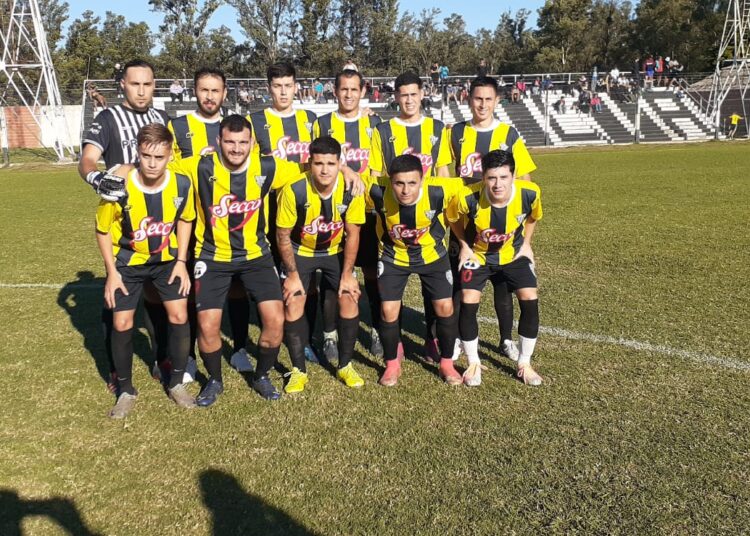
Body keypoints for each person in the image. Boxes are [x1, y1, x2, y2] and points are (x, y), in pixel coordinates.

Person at [170, 115, 303, 404]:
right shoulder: (199, 166)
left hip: (257, 255)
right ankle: (214, 380)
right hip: (212, 257)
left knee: (275, 321)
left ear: (252, 142)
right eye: (230, 142)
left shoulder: (267, 166)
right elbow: (155, 168)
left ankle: (261, 375)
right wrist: (121, 170)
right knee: (207, 324)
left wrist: (347, 170)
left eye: (243, 142)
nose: (236, 148)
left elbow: (309, 169)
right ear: (218, 141)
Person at [79, 59, 171, 392]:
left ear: (154, 85)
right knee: (117, 297)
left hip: (158, 221)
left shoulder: (162, 118)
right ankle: (117, 371)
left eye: (147, 84)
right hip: (123, 224)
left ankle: (162, 358)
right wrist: (97, 178)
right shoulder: (108, 118)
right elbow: (87, 160)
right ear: (123, 85)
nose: (142, 91)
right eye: (135, 84)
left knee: (157, 294)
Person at [95, 124, 196, 418]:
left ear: (170, 155)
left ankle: (176, 383)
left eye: (159, 157)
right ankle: (125, 390)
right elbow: (102, 230)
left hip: (167, 262)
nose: (152, 163)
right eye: (146, 156)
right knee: (122, 323)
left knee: (179, 316)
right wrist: (112, 272)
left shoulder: (181, 184)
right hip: (128, 263)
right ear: (137, 153)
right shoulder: (119, 185)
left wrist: (181, 262)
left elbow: (185, 220)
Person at [167, 68, 253, 376]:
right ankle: (189, 356)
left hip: (232, 222)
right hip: (190, 224)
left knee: (238, 289)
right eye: (204, 89)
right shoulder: (178, 126)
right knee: (191, 290)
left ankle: (239, 348)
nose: (209, 96)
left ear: (225, 93)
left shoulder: (239, 127)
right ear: (194, 90)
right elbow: (167, 169)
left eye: (215, 90)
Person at [448, 75, 537, 362]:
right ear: (468, 99)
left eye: (488, 99)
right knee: (461, 285)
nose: (483, 104)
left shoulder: (508, 134)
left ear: (497, 100)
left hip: (501, 223)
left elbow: (524, 179)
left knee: (503, 286)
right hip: (465, 223)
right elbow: (444, 172)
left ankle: (506, 339)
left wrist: (520, 227)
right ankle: (458, 338)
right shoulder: (455, 132)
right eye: (478, 98)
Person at [369, 71, 452, 362]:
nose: (408, 100)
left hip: (429, 220)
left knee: (433, 289)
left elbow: (443, 172)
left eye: (413, 94)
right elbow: (376, 174)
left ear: (422, 94)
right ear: (396, 97)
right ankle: (397, 343)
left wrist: (444, 210)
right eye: (403, 95)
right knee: (394, 289)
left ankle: (431, 339)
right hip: (394, 221)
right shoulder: (383, 130)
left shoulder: (437, 128)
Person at [364, 155, 463, 387]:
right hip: (393, 257)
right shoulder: (376, 190)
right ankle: (392, 364)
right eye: (399, 183)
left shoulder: (442, 189)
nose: (405, 190)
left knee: (445, 307)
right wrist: (346, 171)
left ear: (423, 179)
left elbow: (478, 189)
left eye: (412, 183)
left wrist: (466, 245)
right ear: (390, 181)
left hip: (432, 255)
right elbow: (343, 176)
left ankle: (447, 363)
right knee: (388, 310)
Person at [276, 137, 366, 392]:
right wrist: (292, 275)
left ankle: (345, 365)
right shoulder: (294, 189)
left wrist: (347, 274)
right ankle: (298, 371)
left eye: (330, 164)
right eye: (318, 164)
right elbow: (283, 235)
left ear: (340, 164)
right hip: (300, 250)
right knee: (293, 300)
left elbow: (353, 234)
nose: (325, 170)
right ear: (309, 163)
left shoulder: (351, 189)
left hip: (334, 251)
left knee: (349, 295)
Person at [448, 150, 543, 387]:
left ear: (513, 175)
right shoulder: (467, 197)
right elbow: (452, 218)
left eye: (503, 177)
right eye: (491, 178)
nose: (498, 184)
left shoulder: (530, 193)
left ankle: (524, 363)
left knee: (530, 297)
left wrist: (526, 245)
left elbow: (533, 217)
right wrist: (464, 246)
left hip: (512, 255)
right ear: (483, 177)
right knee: (468, 299)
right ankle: (473, 362)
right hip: (479, 256)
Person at [312, 69, 383, 358]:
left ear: (363, 91)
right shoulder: (323, 124)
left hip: (368, 210)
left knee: (373, 273)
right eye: (344, 89)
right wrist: (345, 170)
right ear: (335, 91)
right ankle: (329, 334)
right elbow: (316, 159)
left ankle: (377, 329)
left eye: (354, 89)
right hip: (333, 212)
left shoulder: (375, 123)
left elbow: (378, 165)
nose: (349, 94)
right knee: (335, 272)